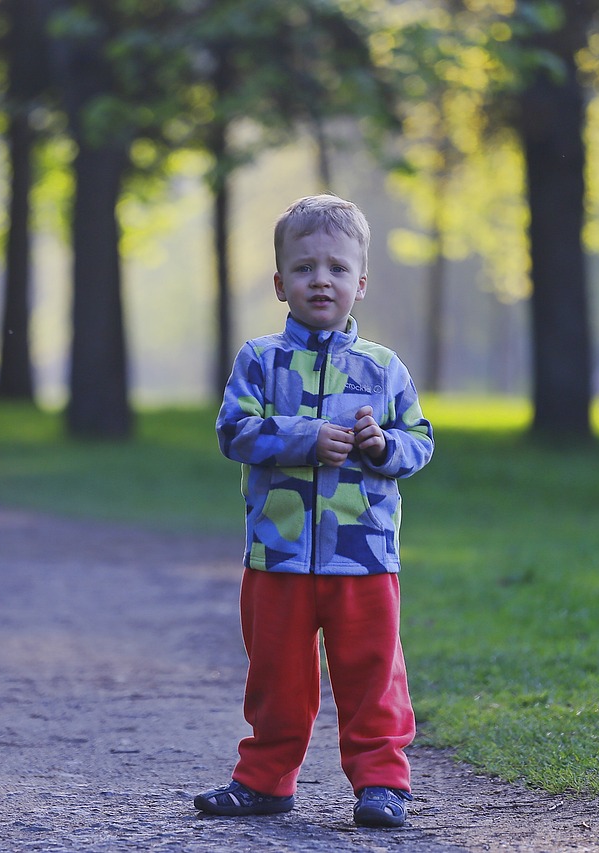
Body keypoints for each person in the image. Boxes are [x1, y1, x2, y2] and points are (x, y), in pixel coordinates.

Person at [194, 194, 434, 829]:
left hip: (364, 556)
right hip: (277, 552)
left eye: (335, 268)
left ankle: (381, 782)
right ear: (279, 283)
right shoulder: (260, 360)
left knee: (371, 674)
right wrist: (303, 437)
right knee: (277, 677)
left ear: (361, 281)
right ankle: (266, 779)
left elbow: (420, 441)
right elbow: (234, 432)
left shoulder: (384, 369)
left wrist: (383, 446)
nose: (319, 279)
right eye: (303, 268)